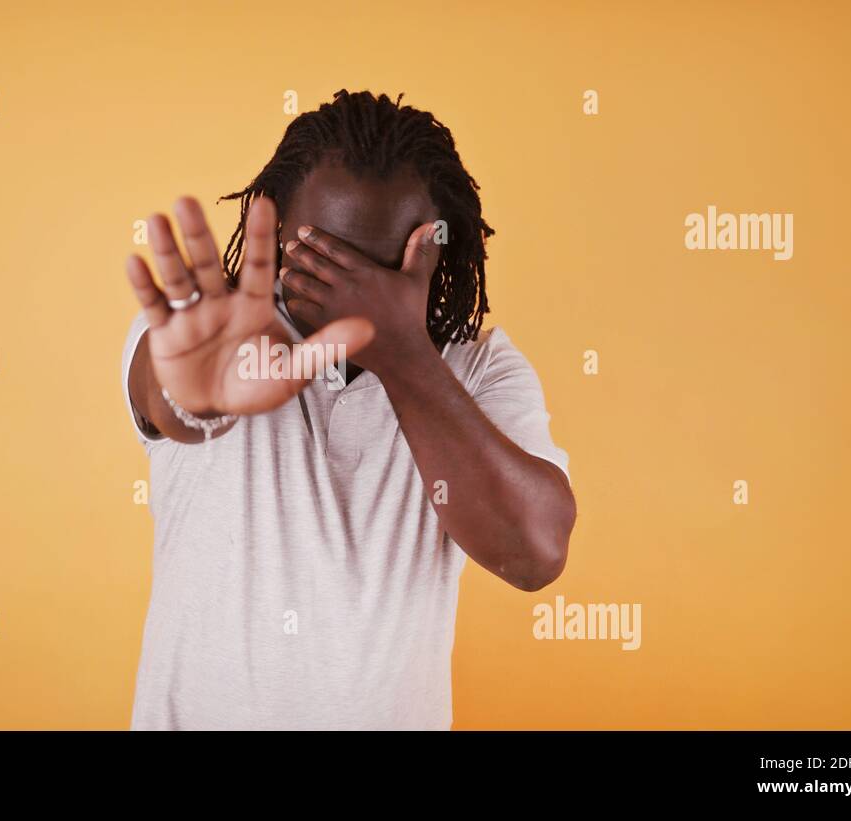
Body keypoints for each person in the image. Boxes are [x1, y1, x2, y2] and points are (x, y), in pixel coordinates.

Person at [121, 90, 576, 730]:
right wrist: (193, 394)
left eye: (378, 268)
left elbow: (533, 553)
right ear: (275, 230)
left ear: (436, 252)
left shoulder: (479, 369)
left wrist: (403, 353)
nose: (350, 290)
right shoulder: (206, 330)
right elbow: (168, 400)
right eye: (324, 259)